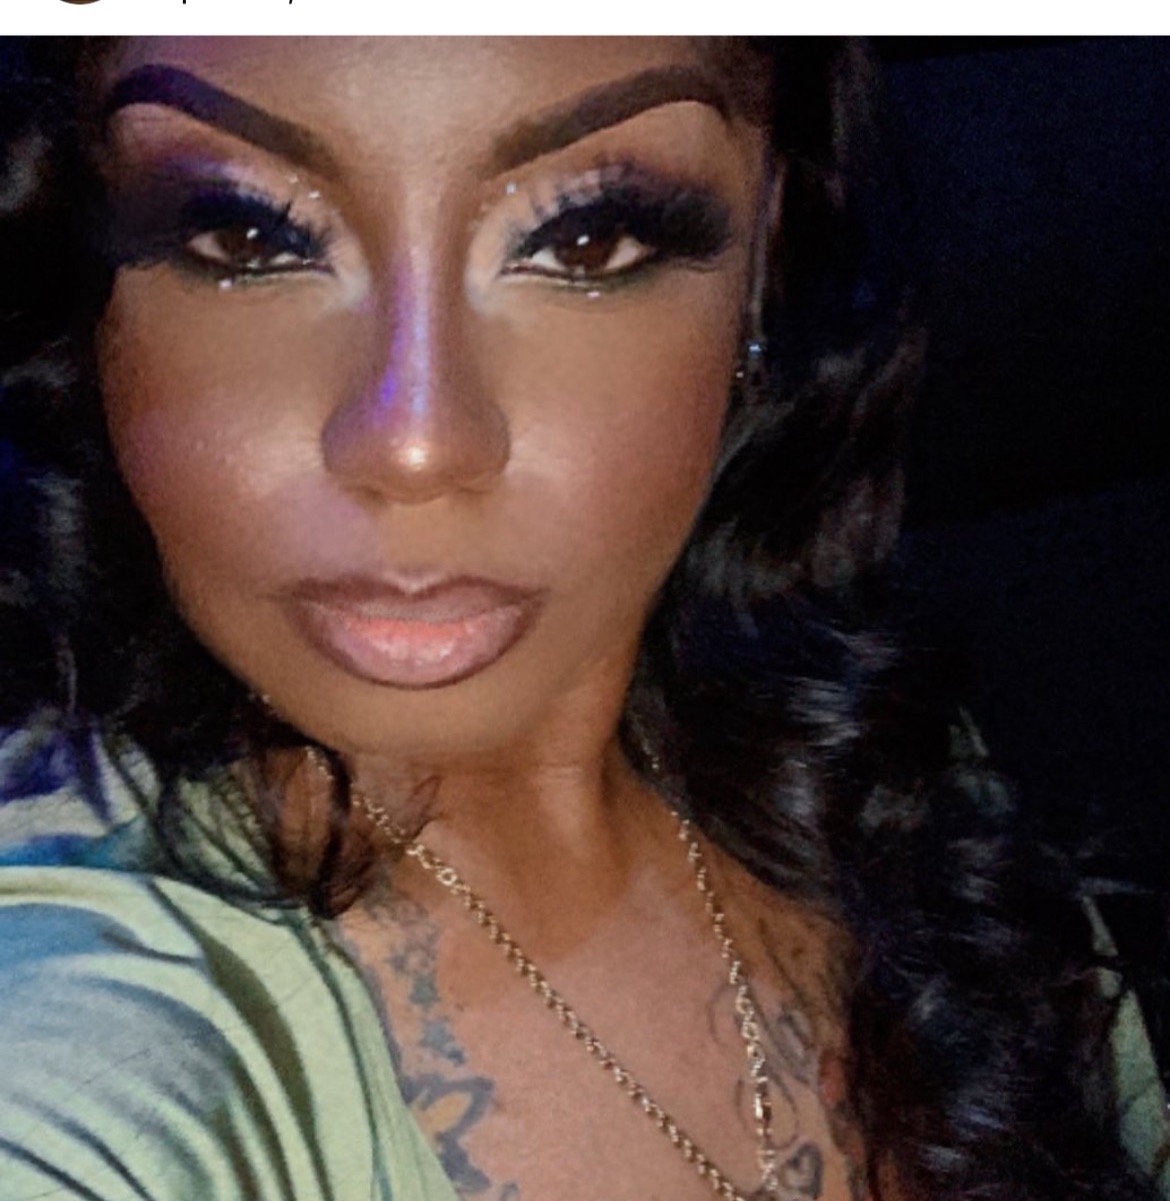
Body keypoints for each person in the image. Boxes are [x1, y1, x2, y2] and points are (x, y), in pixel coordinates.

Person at [0, 36, 1155, 1201]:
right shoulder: (77, 1054)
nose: (414, 440)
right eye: (245, 237)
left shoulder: (887, 762)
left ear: (764, 254)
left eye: (587, 239)